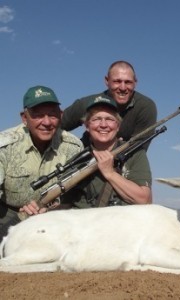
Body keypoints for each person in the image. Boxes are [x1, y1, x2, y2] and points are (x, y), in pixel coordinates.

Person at [22, 95, 152, 214]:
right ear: (87, 126)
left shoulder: (134, 154)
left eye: (109, 119)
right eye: (96, 119)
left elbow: (145, 200)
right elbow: (65, 201)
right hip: (81, 229)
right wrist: (46, 209)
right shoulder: (75, 153)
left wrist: (110, 173)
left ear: (118, 126)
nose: (103, 125)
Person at [0, 85, 84, 240]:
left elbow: (76, 195)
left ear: (61, 115)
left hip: (53, 215)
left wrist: (52, 210)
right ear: (24, 118)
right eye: (38, 115)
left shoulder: (74, 146)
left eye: (52, 115)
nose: (46, 122)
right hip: (8, 213)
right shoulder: (5, 145)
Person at [61, 60, 157, 149]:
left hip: (122, 162)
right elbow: (54, 126)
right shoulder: (86, 104)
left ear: (135, 83)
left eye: (128, 82)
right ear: (107, 81)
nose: (123, 88)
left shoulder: (146, 107)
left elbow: (138, 150)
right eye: (117, 81)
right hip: (84, 158)